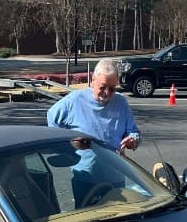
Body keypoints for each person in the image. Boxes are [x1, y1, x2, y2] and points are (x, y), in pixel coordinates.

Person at [47, 58, 141, 207]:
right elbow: (52, 117)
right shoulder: (75, 100)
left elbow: (134, 132)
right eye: (103, 87)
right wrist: (66, 146)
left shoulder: (121, 102)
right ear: (93, 80)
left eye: (112, 88)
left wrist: (133, 140)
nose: (107, 93)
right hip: (85, 177)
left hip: (116, 176)